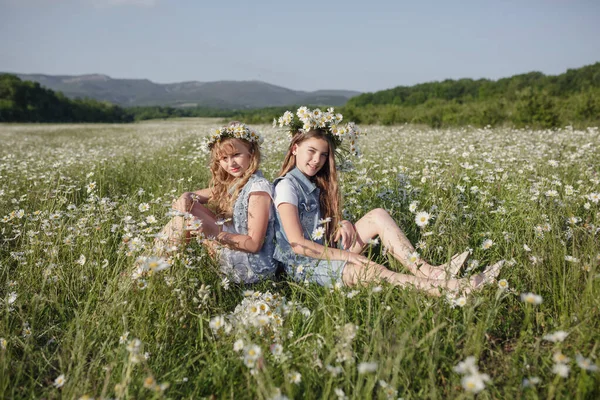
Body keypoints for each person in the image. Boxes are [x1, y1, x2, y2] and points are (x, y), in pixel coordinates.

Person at [272, 107, 503, 295]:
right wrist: (350, 256)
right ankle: (456, 289)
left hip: (326, 250)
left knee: (378, 215)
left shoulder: (313, 181)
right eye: (311, 151)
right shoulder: (286, 187)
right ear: (295, 148)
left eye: (323, 155)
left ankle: (430, 272)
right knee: (374, 272)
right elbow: (298, 244)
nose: (317, 160)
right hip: (304, 266)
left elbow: (318, 225)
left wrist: (341, 222)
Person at [155, 122, 276, 284]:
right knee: (188, 208)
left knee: (185, 216)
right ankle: (152, 265)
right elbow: (194, 196)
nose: (231, 163)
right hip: (235, 250)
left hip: (250, 266)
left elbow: (254, 245)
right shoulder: (236, 182)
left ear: (251, 153)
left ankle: (148, 269)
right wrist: (185, 196)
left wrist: (213, 233)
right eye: (224, 158)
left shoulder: (258, 189)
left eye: (236, 155)